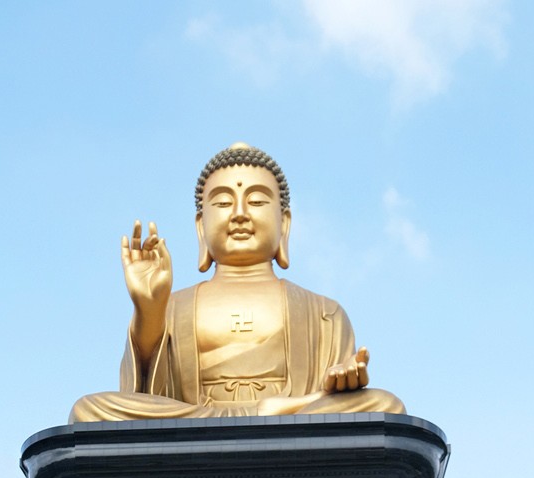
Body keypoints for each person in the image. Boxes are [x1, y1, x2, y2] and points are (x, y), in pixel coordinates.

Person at [69, 143, 405, 422]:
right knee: (89, 412)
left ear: (284, 223)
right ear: (201, 227)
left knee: (383, 406)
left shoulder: (324, 313)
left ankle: (281, 411)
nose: (240, 213)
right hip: (196, 420)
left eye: (258, 201)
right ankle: (273, 412)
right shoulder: (172, 306)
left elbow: (336, 395)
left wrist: (342, 382)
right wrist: (149, 311)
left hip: (296, 419)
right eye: (223, 202)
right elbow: (141, 394)